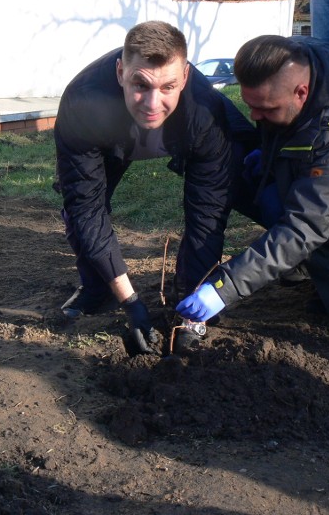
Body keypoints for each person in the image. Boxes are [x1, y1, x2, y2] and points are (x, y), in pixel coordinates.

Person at [175, 35, 329, 326]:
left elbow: (306, 225)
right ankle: (302, 262)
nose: (255, 116)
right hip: (323, 189)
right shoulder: (295, 58)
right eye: (250, 105)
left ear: (302, 93)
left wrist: (225, 288)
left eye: (267, 109)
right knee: (242, 173)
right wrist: (268, 156)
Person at [53, 21, 257, 355]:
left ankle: (188, 296)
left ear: (186, 78)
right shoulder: (83, 102)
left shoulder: (204, 113)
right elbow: (86, 207)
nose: (152, 102)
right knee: (78, 210)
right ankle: (97, 287)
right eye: (141, 85)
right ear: (121, 72)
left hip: (187, 132)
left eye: (167, 87)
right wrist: (130, 302)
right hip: (108, 137)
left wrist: (194, 305)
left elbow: (207, 212)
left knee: (227, 197)